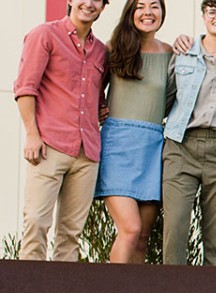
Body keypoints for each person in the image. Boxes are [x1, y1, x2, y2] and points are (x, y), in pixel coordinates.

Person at [14, 0, 108, 262]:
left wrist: (101, 109)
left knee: (71, 234)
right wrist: (32, 135)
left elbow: (97, 96)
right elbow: (25, 88)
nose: (88, 3)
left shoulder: (101, 51)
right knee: (36, 222)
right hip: (49, 146)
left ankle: (62, 290)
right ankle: (29, 287)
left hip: (87, 154)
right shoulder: (45, 35)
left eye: (97, 0)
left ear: (103, 7)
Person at [162, 0, 216, 267]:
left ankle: (214, 292)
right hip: (182, 146)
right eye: (212, 11)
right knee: (175, 228)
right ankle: (173, 289)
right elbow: (165, 98)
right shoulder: (184, 53)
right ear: (203, 16)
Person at [96, 0, 172, 264]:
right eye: (140, 6)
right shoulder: (113, 48)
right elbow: (90, 88)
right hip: (118, 146)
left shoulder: (169, 52)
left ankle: (134, 292)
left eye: (154, 6)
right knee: (130, 229)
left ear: (162, 12)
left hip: (153, 147)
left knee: (142, 237)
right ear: (131, 12)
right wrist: (98, 108)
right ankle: (112, 288)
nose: (148, 12)